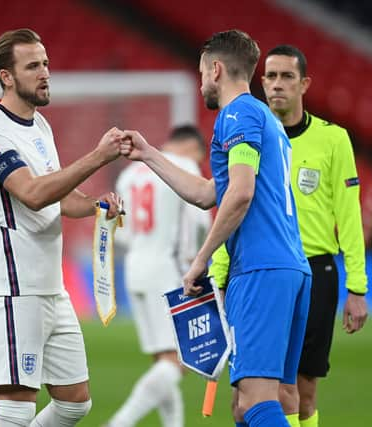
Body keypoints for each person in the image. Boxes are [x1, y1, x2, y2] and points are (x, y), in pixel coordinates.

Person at [120, 30, 312, 427]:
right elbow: (212, 192)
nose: (202, 81)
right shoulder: (267, 120)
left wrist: (201, 260)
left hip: (260, 268)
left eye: (202, 72)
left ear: (217, 70)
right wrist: (149, 154)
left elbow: (239, 194)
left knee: (257, 403)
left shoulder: (237, 115)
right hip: (289, 267)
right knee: (247, 404)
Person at [0, 28, 123, 427]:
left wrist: (94, 206)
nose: (45, 72)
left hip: (52, 287)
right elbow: (33, 194)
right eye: (33, 65)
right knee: (18, 406)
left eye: (46, 63)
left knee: (75, 403)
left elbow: (58, 194)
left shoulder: (40, 127)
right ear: (6, 76)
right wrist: (98, 157)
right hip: (15, 287)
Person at [212, 44, 369, 427]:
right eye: (269, 75)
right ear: (259, 80)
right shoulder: (253, 131)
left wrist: (357, 287)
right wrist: (218, 266)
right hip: (254, 269)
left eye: (286, 76)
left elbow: (349, 214)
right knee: (251, 393)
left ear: (305, 83)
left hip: (312, 270)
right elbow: (227, 198)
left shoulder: (333, 140)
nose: (276, 84)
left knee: (299, 389)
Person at [106, 125, 211, 427]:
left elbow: (122, 235)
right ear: (193, 148)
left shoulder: (129, 174)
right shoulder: (185, 166)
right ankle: (119, 423)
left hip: (135, 268)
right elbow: (200, 222)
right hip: (169, 270)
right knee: (179, 362)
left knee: (162, 359)